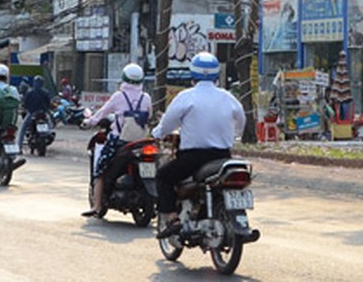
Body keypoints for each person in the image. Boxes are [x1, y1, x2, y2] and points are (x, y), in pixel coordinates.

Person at [151, 52, 245, 238]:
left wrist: (157, 133)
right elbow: (241, 119)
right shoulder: (227, 97)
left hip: (193, 158)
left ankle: (172, 219)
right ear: (216, 76)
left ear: (192, 75)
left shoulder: (186, 97)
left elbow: (168, 123)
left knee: (163, 177)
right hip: (223, 156)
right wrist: (235, 137)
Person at [81, 62, 152, 218]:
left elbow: (100, 114)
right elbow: (150, 116)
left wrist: (89, 122)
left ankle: (97, 206)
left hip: (120, 141)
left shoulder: (119, 96)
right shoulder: (146, 97)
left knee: (99, 169)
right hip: (142, 143)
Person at [16, 75, 54, 153]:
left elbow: (25, 103)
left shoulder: (30, 92)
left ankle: (19, 148)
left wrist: (25, 107)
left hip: (32, 113)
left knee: (23, 128)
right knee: (50, 125)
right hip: (43, 113)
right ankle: (49, 133)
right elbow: (49, 103)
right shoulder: (45, 92)